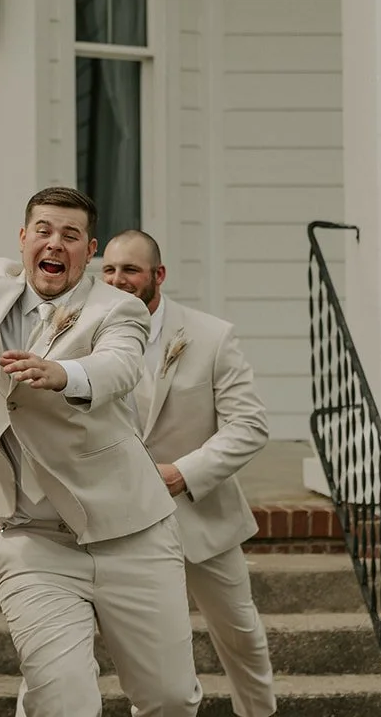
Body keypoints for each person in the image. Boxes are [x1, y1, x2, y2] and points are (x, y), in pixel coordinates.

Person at [0, 185, 201, 717]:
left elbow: (118, 368)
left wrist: (63, 373)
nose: (55, 245)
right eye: (43, 231)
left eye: (71, 236)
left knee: (169, 700)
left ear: (90, 251)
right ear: (22, 239)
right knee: (61, 700)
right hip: (32, 539)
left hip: (131, 532)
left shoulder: (117, 308)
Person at [102, 230, 275, 717]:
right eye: (109, 270)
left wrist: (182, 473)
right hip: (123, 523)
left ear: (158, 275)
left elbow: (249, 425)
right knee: (152, 651)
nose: (118, 280)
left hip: (202, 516)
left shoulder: (211, 335)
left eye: (130, 270)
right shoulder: (83, 332)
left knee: (240, 633)